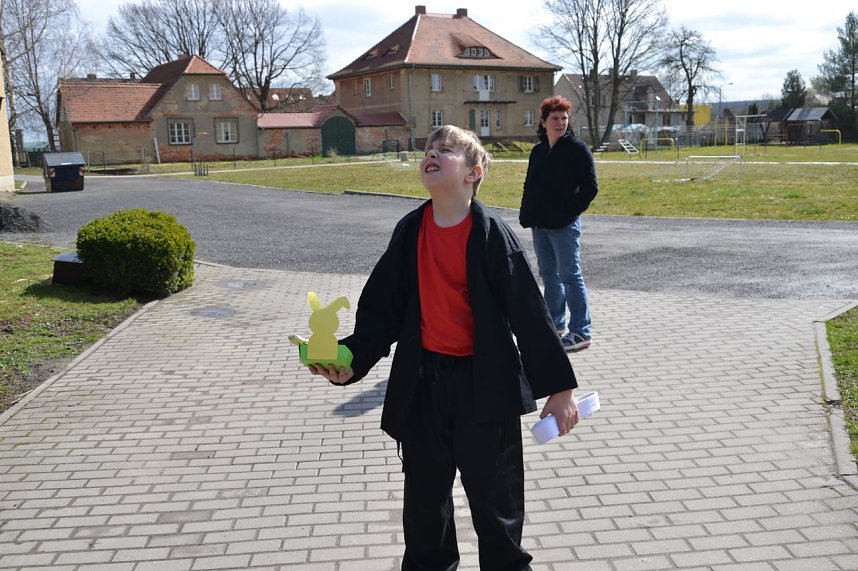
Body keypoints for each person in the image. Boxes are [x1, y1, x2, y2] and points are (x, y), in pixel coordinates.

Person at [308, 125, 580, 570]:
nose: (431, 154)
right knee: (424, 515)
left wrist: (560, 389)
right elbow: (382, 309)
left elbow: (530, 314)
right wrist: (351, 360)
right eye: (429, 149)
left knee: (497, 515)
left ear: (475, 172)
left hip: (485, 392)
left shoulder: (492, 235)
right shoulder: (411, 230)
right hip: (423, 389)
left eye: (446, 150)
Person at [519, 95, 598, 352]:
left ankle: (581, 332)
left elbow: (590, 188)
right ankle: (555, 324)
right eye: (555, 118)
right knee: (548, 276)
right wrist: (527, 213)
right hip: (540, 226)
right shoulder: (538, 152)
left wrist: (568, 213)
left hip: (564, 226)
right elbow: (530, 185)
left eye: (564, 118)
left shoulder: (577, 150)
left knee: (570, 276)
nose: (560, 123)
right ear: (543, 122)